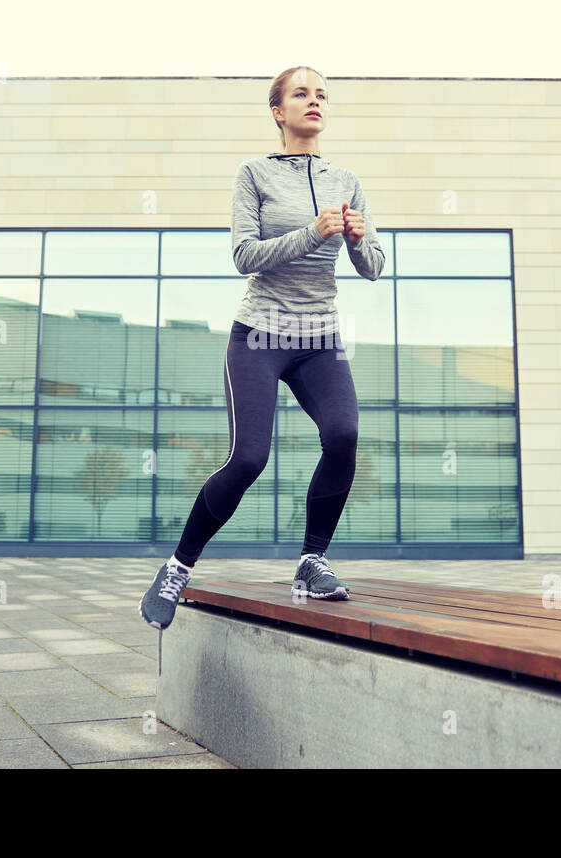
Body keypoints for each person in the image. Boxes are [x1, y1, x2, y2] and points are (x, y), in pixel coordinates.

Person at [140, 65, 386, 630]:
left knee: (344, 434)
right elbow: (243, 256)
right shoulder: (253, 174)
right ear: (278, 111)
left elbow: (374, 267)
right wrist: (313, 233)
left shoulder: (346, 180)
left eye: (321, 94)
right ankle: (178, 567)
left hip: (319, 337)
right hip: (259, 334)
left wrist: (354, 239)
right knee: (249, 458)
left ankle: (311, 562)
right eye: (301, 93)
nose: (314, 101)